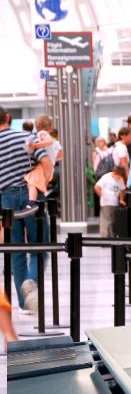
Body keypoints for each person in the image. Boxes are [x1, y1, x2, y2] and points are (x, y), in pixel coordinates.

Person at [0, 106, 52, 313]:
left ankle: (25, 303)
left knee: (16, 251)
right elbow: (46, 161)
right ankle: (32, 280)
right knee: (40, 245)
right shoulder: (25, 136)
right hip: (31, 195)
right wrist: (44, 181)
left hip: (6, 200)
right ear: (9, 117)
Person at [94, 166, 127, 238]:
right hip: (106, 203)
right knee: (107, 221)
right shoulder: (106, 177)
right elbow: (97, 187)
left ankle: (112, 237)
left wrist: (121, 200)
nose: (119, 178)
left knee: (113, 221)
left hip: (114, 203)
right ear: (115, 173)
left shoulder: (120, 179)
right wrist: (102, 196)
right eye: (118, 177)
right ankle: (105, 238)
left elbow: (122, 190)